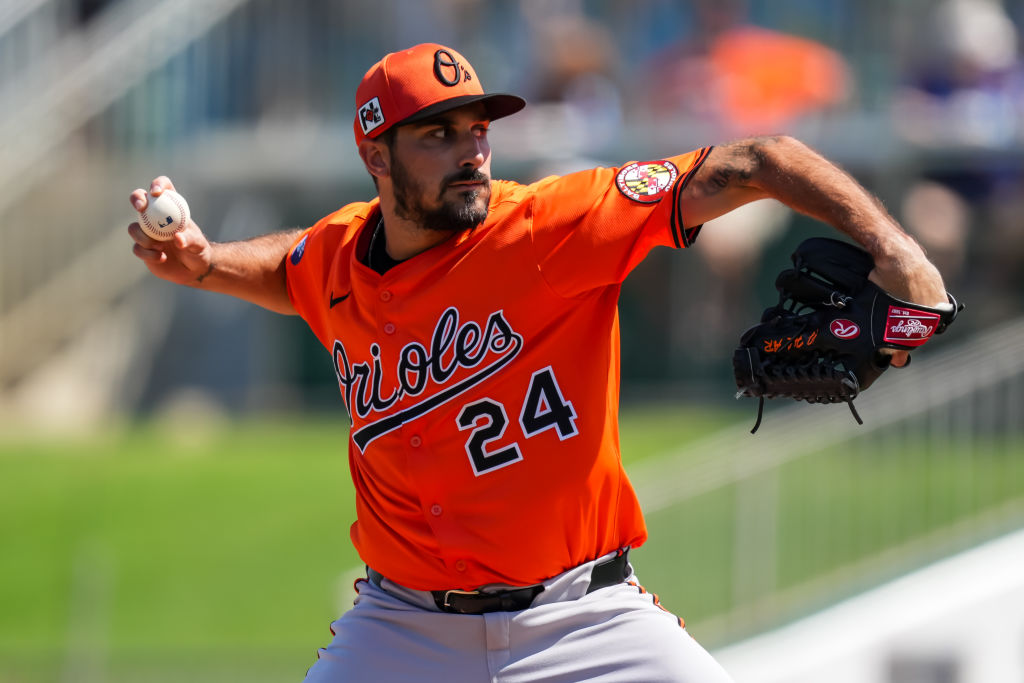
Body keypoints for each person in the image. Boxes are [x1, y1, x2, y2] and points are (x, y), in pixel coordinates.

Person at [127, 43, 948, 683]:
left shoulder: (551, 228)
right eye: (438, 133)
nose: (471, 150)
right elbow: (290, 266)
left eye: (479, 126)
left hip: (585, 620)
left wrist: (895, 247)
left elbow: (761, 160)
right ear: (376, 156)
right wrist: (203, 262)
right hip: (402, 628)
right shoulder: (341, 255)